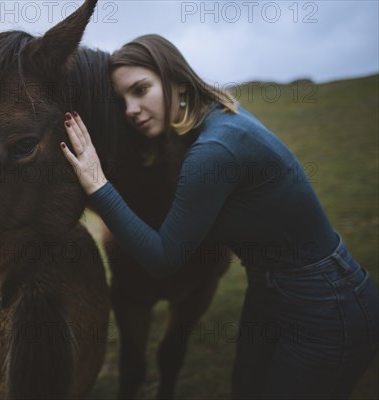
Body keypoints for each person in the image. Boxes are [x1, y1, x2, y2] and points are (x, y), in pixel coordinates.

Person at [60, 34, 378, 399]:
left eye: (141, 89)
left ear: (175, 77)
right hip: (271, 289)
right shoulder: (213, 122)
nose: (131, 109)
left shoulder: (214, 149)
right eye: (122, 100)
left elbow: (162, 258)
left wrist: (98, 183)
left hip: (324, 300)